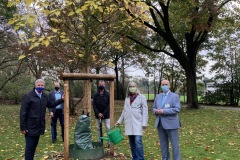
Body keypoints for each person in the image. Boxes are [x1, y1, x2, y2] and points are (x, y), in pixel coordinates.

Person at [20, 79, 64, 160]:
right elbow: (23, 112)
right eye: (38, 85)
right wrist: (23, 127)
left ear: (44, 86)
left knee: (34, 147)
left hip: (39, 126)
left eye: (42, 85)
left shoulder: (44, 96)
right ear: (35, 86)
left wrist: (61, 99)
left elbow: (51, 104)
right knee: (29, 148)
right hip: (30, 127)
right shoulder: (28, 96)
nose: (40, 87)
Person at [116, 81, 148, 160]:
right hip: (129, 122)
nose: (132, 88)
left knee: (138, 141)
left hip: (138, 122)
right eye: (131, 86)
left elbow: (145, 110)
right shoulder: (127, 98)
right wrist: (119, 121)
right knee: (132, 142)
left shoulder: (142, 97)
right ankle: (135, 157)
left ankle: (140, 158)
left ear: (136, 87)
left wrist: (144, 123)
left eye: (134, 86)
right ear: (128, 88)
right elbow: (124, 111)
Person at [153, 79, 181, 160]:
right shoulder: (158, 96)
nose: (164, 86)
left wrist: (163, 111)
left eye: (166, 84)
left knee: (174, 145)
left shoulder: (175, 96)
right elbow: (154, 108)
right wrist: (156, 111)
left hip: (172, 124)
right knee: (163, 145)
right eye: (163, 84)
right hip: (160, 124)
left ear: (169, 86)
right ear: (161, 86)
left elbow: (177, 109)